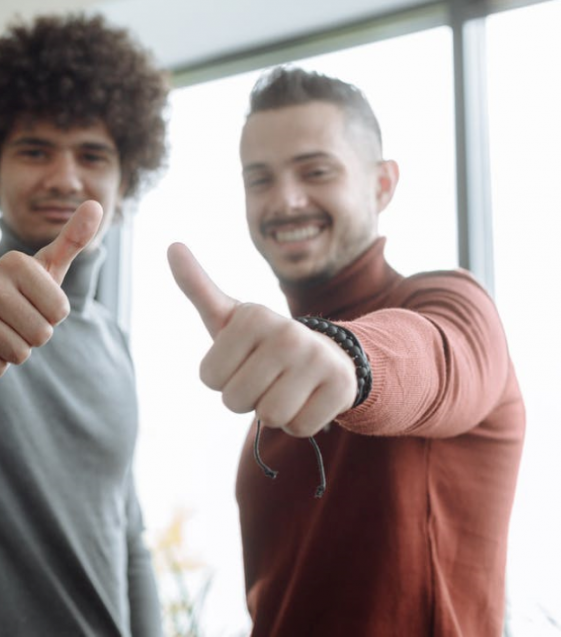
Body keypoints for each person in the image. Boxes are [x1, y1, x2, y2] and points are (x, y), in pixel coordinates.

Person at [168, 67, 525, 635]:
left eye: (316, 171)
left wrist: (348, 358)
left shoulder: (451, 303)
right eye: (260, 179)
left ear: (382, 184)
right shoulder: (280, 367)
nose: (285, 200)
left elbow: (430, 359)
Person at [0, 14, 169, 636]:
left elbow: (128, 537)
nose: (64, 177)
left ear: (125, 180)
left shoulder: (112, 340)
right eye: (34, 151)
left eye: (92, 155)